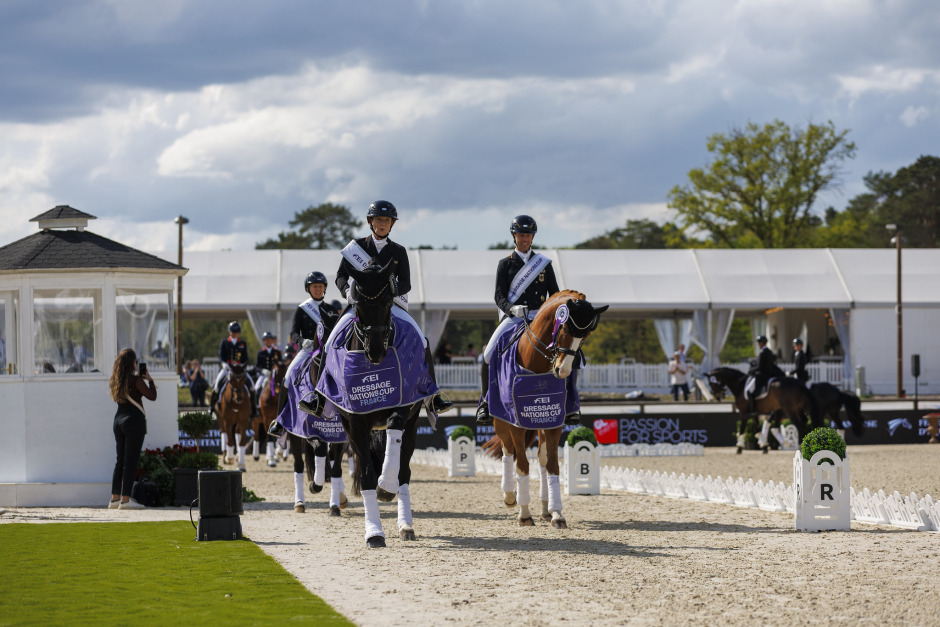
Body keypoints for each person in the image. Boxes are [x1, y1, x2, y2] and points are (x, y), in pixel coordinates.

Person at [301, 200, 453, 417]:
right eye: (379, 220)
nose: (382, 223)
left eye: (387, 220)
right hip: (360, 305)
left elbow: (407, 283)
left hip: (390, 305)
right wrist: (347, 293)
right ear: (370, 222)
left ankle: (432, 396)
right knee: (330, 341)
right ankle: (319, 397)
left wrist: (391, 290)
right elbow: (340, 276)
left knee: (421, 339)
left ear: (391, 224)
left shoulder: (398, 251)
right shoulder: (357, 247)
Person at [477, 214, 565, 426]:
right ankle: (485, 403)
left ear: (532, 237)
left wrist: (549, 314)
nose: (524, 239)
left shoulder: (543, 264)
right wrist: (511, 309)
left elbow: (555, 294)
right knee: (487, 355)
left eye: (528, 235)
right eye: (520, 235)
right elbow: (498, 296)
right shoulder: (505, 264)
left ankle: (571, 405)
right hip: (515, 317)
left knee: (571, 353)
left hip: (540, 316)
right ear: (514, 236)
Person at [268, 270, 329, 436]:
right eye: (314, 286)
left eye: (320, 286)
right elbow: (293, 333)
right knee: (287, 377)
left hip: (325, 350)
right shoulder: (302, 309)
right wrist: (303, 341)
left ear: (324, 288)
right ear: (308, 289)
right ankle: (279, 422)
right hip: (307, 349)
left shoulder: (330, 309)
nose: (318, 289)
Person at [109, 348, 156, 510]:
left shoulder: (116, 380)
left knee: (120, 461)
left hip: (118, 421)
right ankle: (126, 499)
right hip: (134, 422)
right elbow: (152, 396)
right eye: (135, 361)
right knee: (130, 462)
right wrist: (149, 379)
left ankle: (114, 498)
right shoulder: (135, 380)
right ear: (132, 363)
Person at [209, 321, 257, 418]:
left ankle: (254, 409)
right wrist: (223, 363)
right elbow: (220, 356)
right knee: (217, 385)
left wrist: (242, 365)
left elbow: (245, 358)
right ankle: (211, 407)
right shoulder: (225, 342)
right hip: (227, 368)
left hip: (239, 370)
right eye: (232, 332)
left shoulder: (242, 343)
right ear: (229, 332)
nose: (234, 334)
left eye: (236, 332)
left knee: (251, 386)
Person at [746, 335, 786, 414]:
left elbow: (760, 367)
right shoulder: (770, 352)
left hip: (762, 375)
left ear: (761, 343)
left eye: (758, 343)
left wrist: (751, 370)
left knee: (749, 390)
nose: (758, 344)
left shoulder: (762, 353)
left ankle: (753, 410)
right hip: (770, 375)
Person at [253, 331, 283, 403]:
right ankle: (257, 406)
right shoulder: (260, 353)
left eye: (270, 339)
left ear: (272, 340)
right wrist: (263, 371)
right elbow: (256, 367)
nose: (268, 341)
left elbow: (281, 364)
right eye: (266, 339)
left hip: (275, 376)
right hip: (264, 375)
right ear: (264, 341)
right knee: (256, 388)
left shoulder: (277, 352)